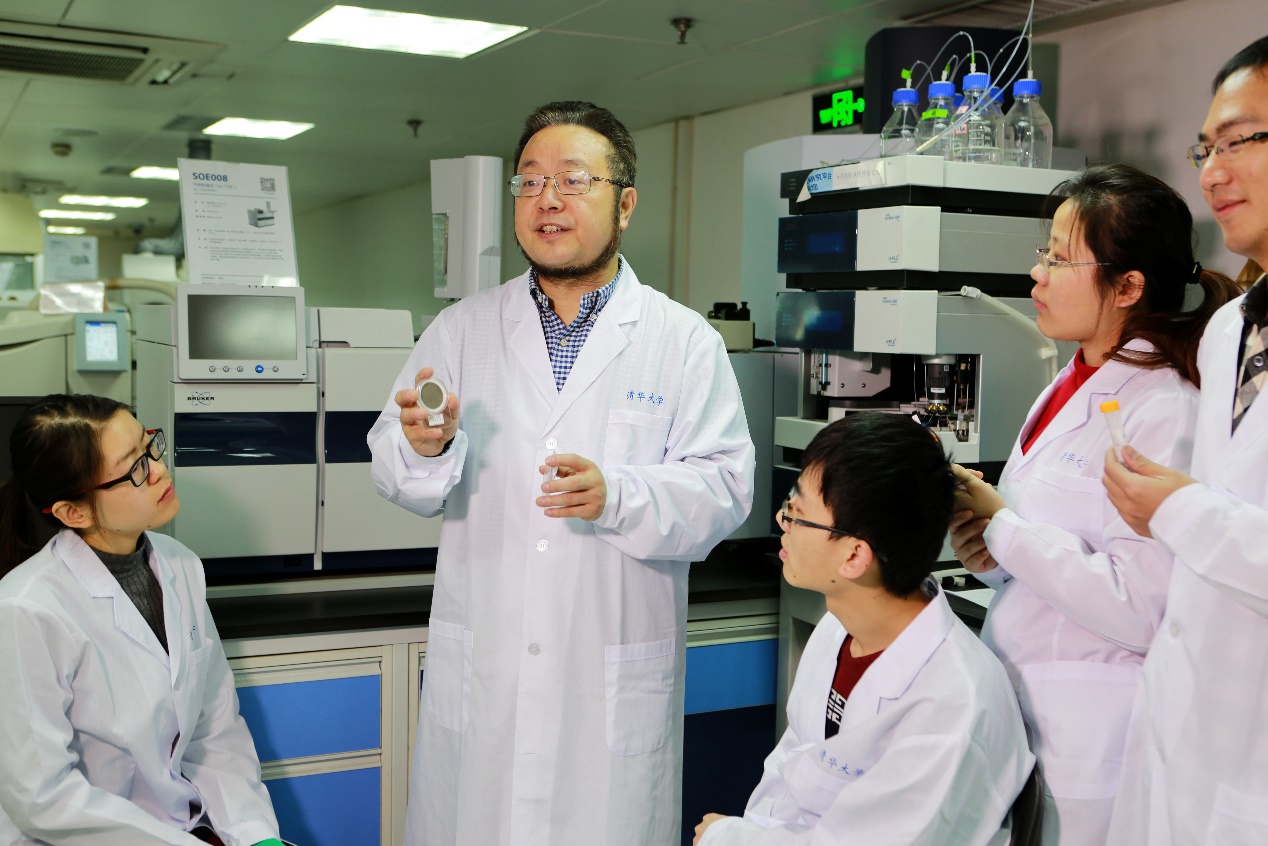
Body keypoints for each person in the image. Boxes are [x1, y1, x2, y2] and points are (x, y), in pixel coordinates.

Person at [368, 101, 755, 846]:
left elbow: (725, 490)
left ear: (625, 204)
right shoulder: (461, 329)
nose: (548, 199)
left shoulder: (682, 342)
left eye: (574, 180)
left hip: (607, 680)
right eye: (531, 181)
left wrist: (620, 495)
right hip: (488, 676)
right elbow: (395, 468)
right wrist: (424, 447)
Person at [949, 163, 1239, 845]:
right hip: (1025, 707)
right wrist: (991, 552)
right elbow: (1057, 545)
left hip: (1095, 735)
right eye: (1042, 254)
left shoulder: (1164, 407)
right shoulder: (1071, 381)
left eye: (1058, 259)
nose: (1037, 275)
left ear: (1129, 286)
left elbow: (1142, 608)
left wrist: (1005, 528)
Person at [692, 412, 1032, 846]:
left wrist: (728, 838)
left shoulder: (951, 706)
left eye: (797, 512)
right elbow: (792, 769)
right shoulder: (840, 628)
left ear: (854, 557)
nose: (782, 521)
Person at [1103, 36, 1268, 844]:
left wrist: (1181, 510)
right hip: (1191, 724)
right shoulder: (1231, 328)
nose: (1210, 172)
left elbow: (1210, 519)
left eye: (1238, 141)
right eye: (1205, 149)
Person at [0, 394, 283, 846]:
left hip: (181, 826)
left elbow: (213, 730)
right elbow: (44, 799)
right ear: (74, 512)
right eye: (134, 468)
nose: (158, 470)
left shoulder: (180, 564)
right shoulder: (24, 609)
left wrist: (253, 834)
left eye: (149, 446)